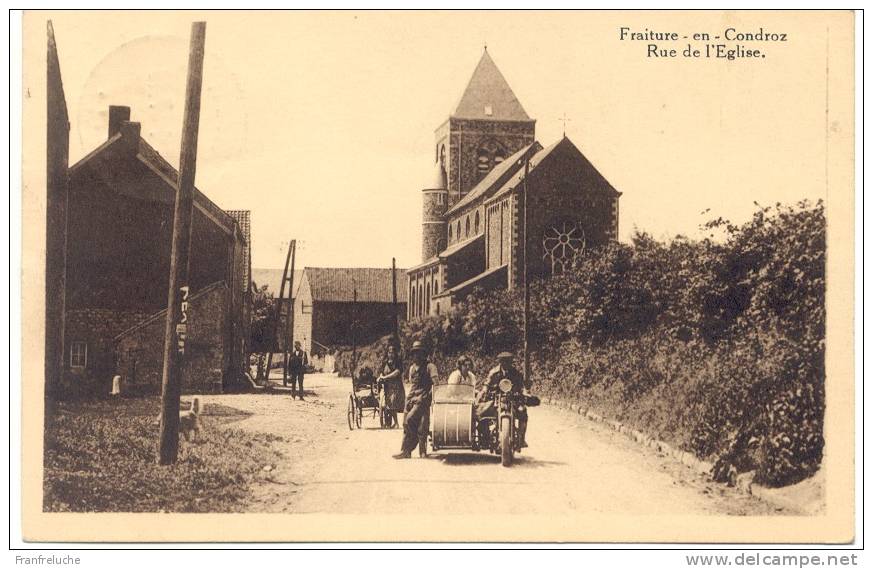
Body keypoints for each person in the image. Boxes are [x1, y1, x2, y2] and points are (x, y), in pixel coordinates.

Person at [475, 351, 532, 448]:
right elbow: (486, 384)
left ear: (511, 362)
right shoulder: (494, 372)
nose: (506, 363)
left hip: (512, 399)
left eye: (508, 361)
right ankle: (485, 438)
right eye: (503, 361)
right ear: (500, 362)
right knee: (481, 413)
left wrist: (525, 393)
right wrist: (483, 392)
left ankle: (521, 439)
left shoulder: (516, 373)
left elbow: (521, 386)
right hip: (496, 399)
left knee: (523, 411)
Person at [393, 341, 438, 459]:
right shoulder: (412, 368)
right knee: (407, 424)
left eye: (418, 353)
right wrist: (408, 400)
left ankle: (419, 451)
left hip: (423, 400)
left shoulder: (430, 367)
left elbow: (436, 384)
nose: (415, 356)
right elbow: (413, 385)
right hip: (412, 399)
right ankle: (406, 450)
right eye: (414, 353)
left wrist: (428, 397)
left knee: (420, 425)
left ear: (423, 354)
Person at [377, 342, 405, 428]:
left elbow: (397, 372)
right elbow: (381, 372)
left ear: (395, 353)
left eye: (392, 352)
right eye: (389, 352)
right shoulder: (385, 362)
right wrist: (381, 377)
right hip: (387, 387)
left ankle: (396, 423)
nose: (391, 354)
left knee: (392, 404)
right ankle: (392, 422)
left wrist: (386, 377)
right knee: (388, 404)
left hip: (396, 386)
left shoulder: (398, 362)